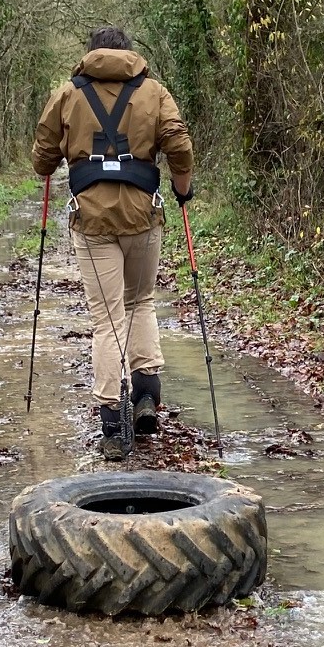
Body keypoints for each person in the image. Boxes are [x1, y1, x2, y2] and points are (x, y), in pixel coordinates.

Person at [31, 26, 194, 459]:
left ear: (91, 55)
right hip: (143, 216)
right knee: (140, 301)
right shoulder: (154, 91)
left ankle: (111, 422)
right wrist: (183, 187)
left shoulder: (67, 94)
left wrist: (57, 155)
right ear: (128, 53)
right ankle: (146, 393)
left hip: (92, 221)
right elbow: (179, 144)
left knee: (107, 318)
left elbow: (42, 158)